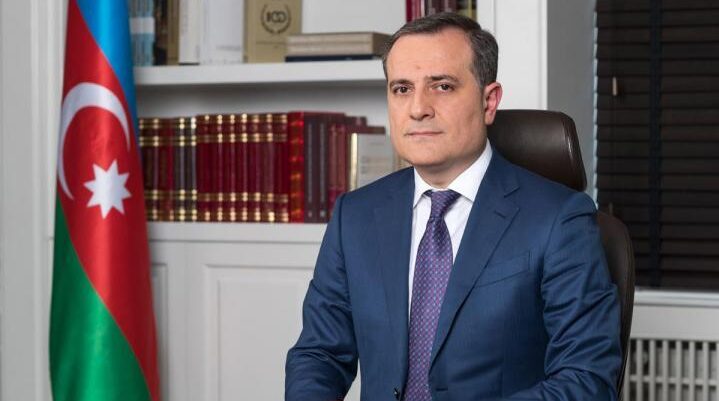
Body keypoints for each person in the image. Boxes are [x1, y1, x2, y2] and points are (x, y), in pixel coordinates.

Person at [286, 12, 621, 401]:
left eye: (442, 86)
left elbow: (586, 379)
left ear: (489, 101)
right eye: (401, 89)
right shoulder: (355, 216)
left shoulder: (558, 219)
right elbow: (320, 354)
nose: (418, 109)